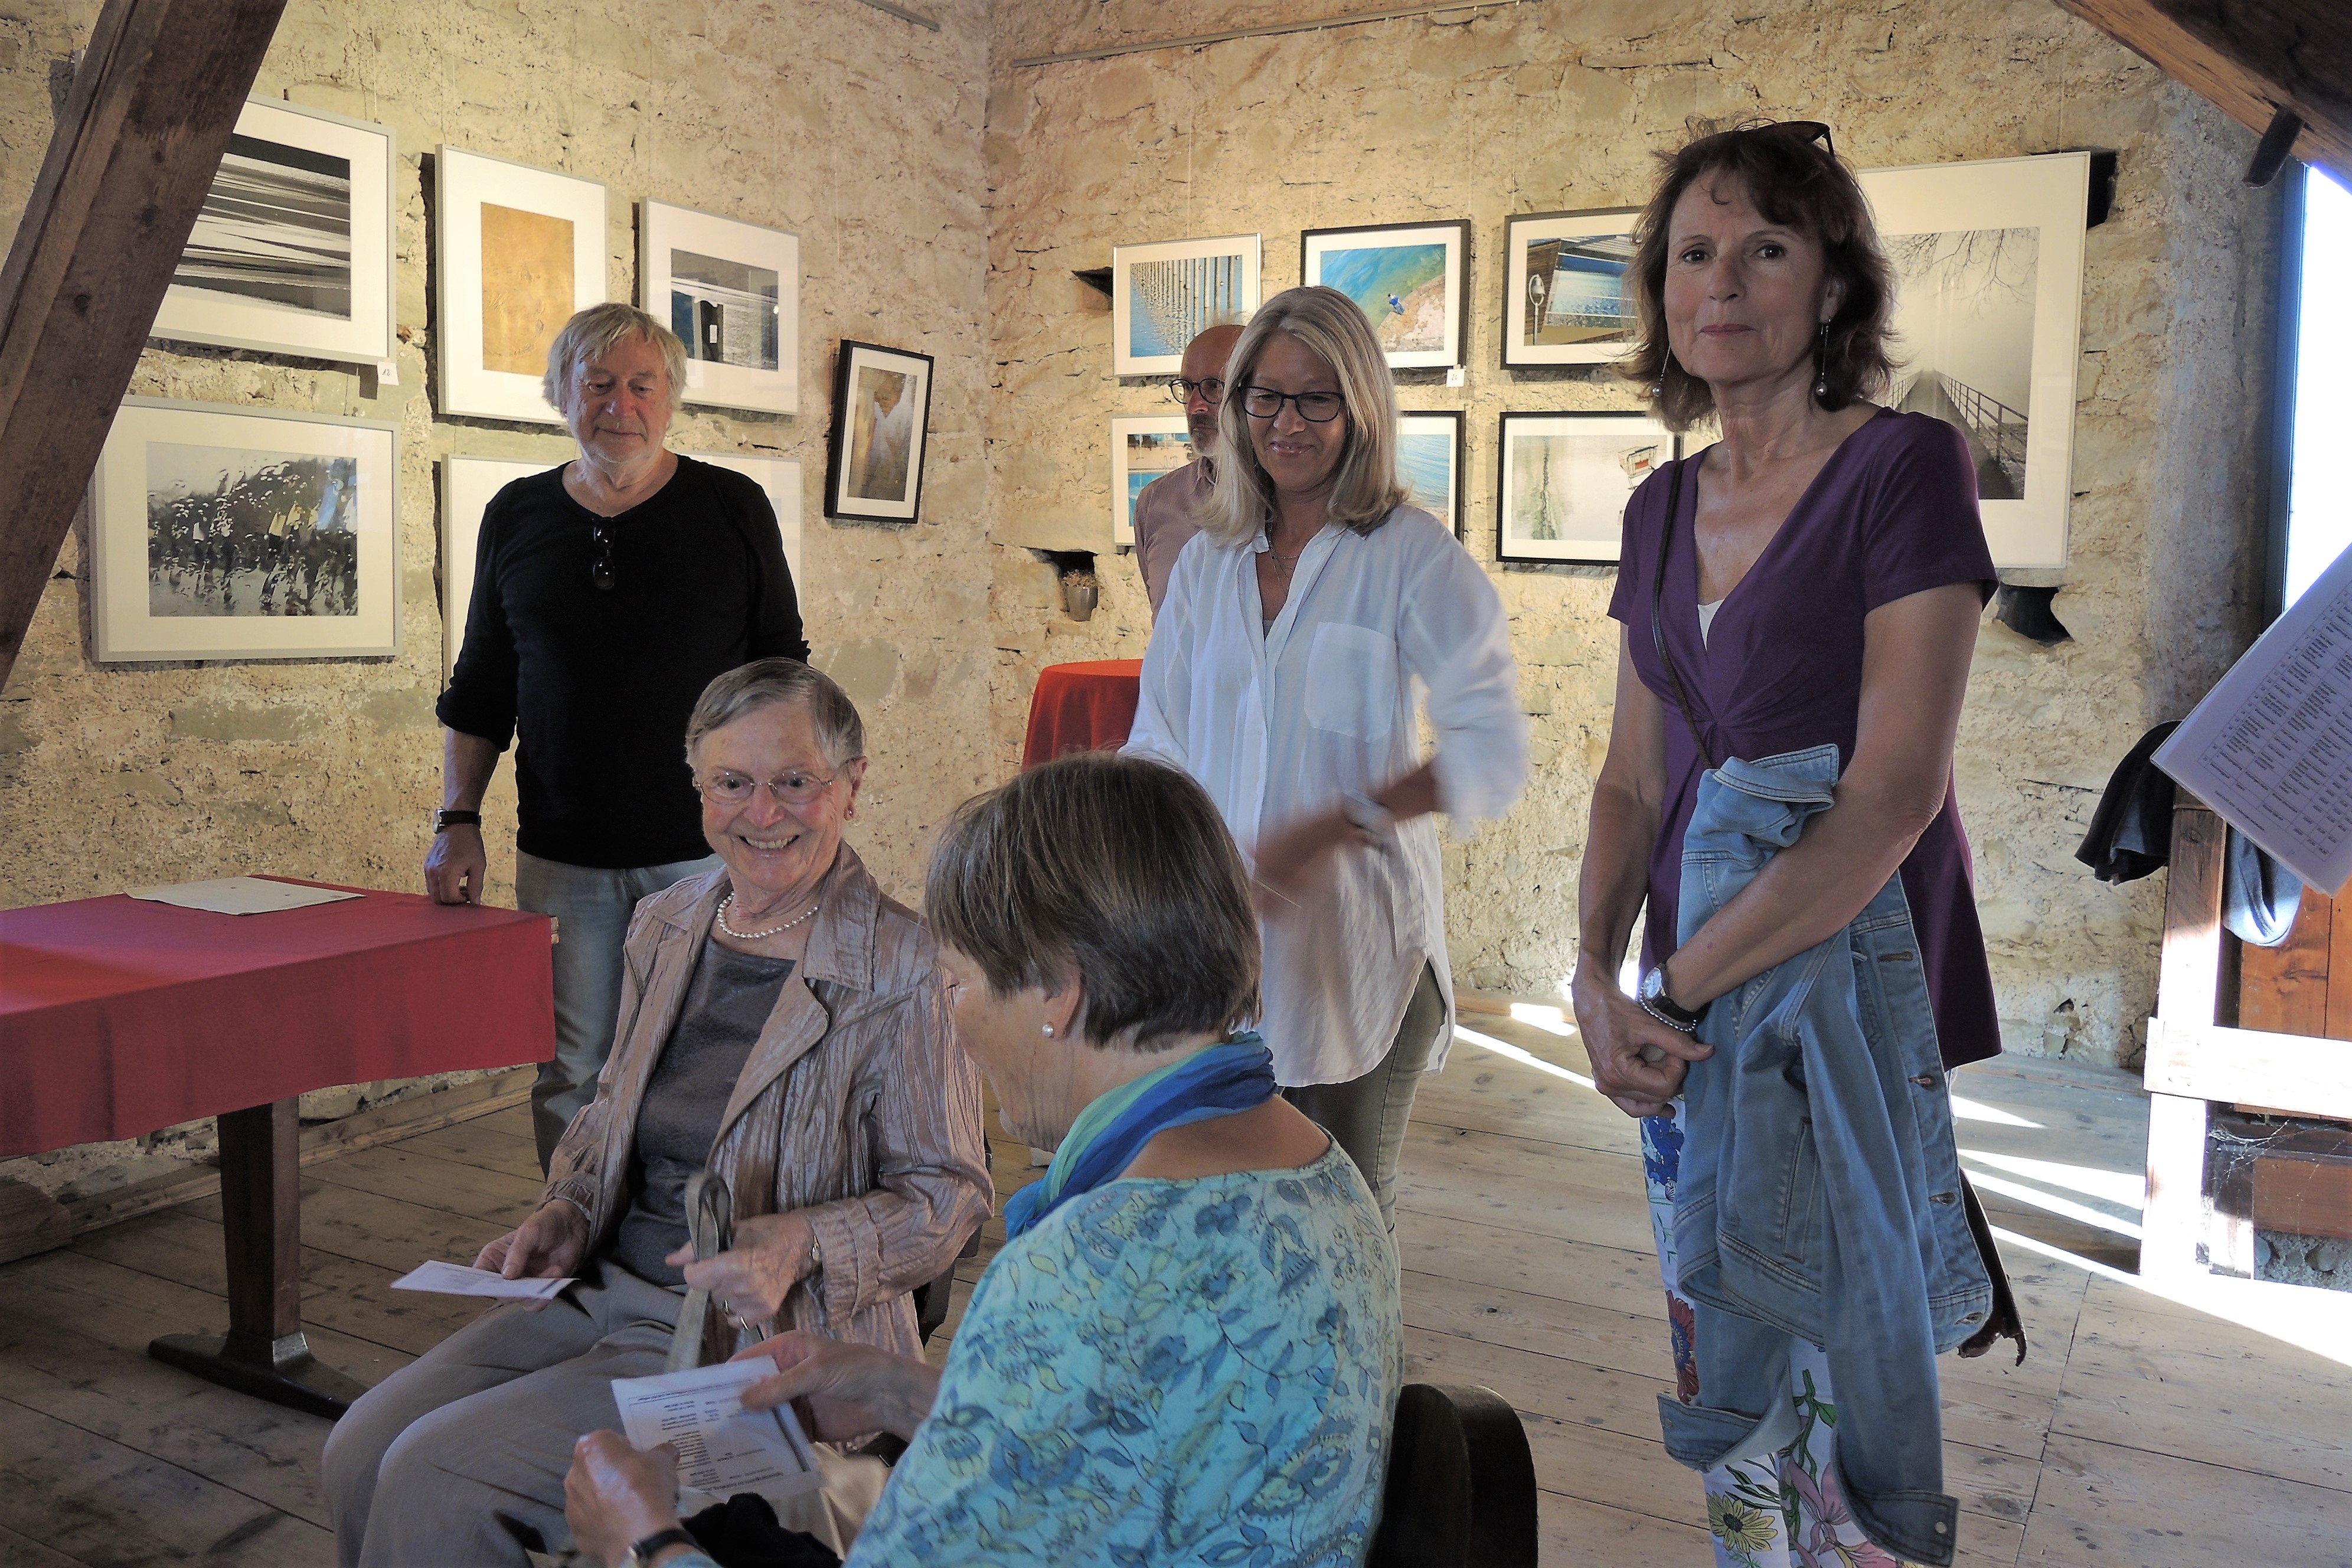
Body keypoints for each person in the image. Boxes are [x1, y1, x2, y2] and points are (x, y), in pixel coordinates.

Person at [561, 752, 1402, 1568]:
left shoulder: (1090, 1262)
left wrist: (644, 1541)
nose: (955, 1022)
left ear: (1059, 990)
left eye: (959, 982)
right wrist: (906, 1393)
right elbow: (1143, 1433)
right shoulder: (1321, 1174)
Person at [1569, 120, 2012, 1567]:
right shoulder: (1658, 505)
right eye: (1693, 253)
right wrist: (1592, 976)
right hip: (1680, 998)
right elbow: (1632, 776)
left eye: (1766, 247)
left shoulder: (1903, 468)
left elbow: (1893, 796)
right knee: (1730, 1357)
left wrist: (1676, 987)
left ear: (1831, 288)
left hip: (1830, 985)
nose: (1723, 282)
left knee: (1839, 1361)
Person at [329, 659, 989, 1568]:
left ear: (852, 785)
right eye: (733, 784)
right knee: (358, 1447)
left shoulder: (905, 967)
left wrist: (804, 1240)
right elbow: (610, 1109)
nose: (763, 812)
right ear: (699, 788)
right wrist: (568, 1208)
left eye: (795, 782)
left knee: (434, 1476)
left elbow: (951, 1196)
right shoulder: (667, 922)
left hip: (750, 1342)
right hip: (604, 1284)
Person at [1125, 285, 1526, 1229]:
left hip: (1357, 954)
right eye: (1265, 396)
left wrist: (1344, 823)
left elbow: (1493, 745)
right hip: (1223, 954)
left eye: (1317, 399)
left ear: (1362, 409)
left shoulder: (1410, 555)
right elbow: (1158, 743)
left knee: (1344, 1226)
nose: (1286, 423)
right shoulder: (1209, 564)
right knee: (1234, 1221)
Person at [430, 302, 810, 1167]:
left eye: (641, 385)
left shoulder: (731, 506)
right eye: (598, 383)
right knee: (574, 1071)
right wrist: (458, 820)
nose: (620, 405)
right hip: (564, 854)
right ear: (562, 393)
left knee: (709, 1062)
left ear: (670, 397)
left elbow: (782, 671)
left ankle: (691, 1236)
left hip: (709, 849)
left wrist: (787, 818)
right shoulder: (517, 514)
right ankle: (575, 1231)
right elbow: (483, 683)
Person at [1130, 321, 1242, 615]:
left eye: (1214, 387)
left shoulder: (1298, 502)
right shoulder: (1156, 502)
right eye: (1188, 388)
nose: (1195, 406)